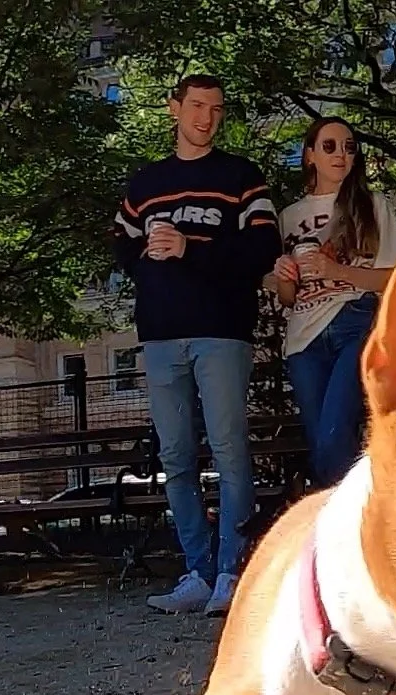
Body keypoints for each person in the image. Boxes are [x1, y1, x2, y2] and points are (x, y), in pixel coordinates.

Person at [113, 73, 281, 617]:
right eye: (197, 105)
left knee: (231, 453)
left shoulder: (241, 177)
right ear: (174, 108)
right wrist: (148, 263)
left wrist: (190, 249)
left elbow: (262, 250)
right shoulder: (145, 183)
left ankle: (233, 573)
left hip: (223, 333)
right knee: (177, 458)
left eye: (217, 107)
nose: (207, 116)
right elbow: (122, 245)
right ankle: (196, 572)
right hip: (160, 336)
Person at [268, 118, 396, 488]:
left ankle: (341, 527)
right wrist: (285, 277)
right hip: (303, 340)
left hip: (356, 322)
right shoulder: (288, 217)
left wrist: (336, 270)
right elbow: (286, 298)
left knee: (334, 432)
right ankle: (352, 522)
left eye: (349, 147)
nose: (341, 155)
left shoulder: (373, 206)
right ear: (309, 155)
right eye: (329, 146)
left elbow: (394, 277)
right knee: (323, 442)